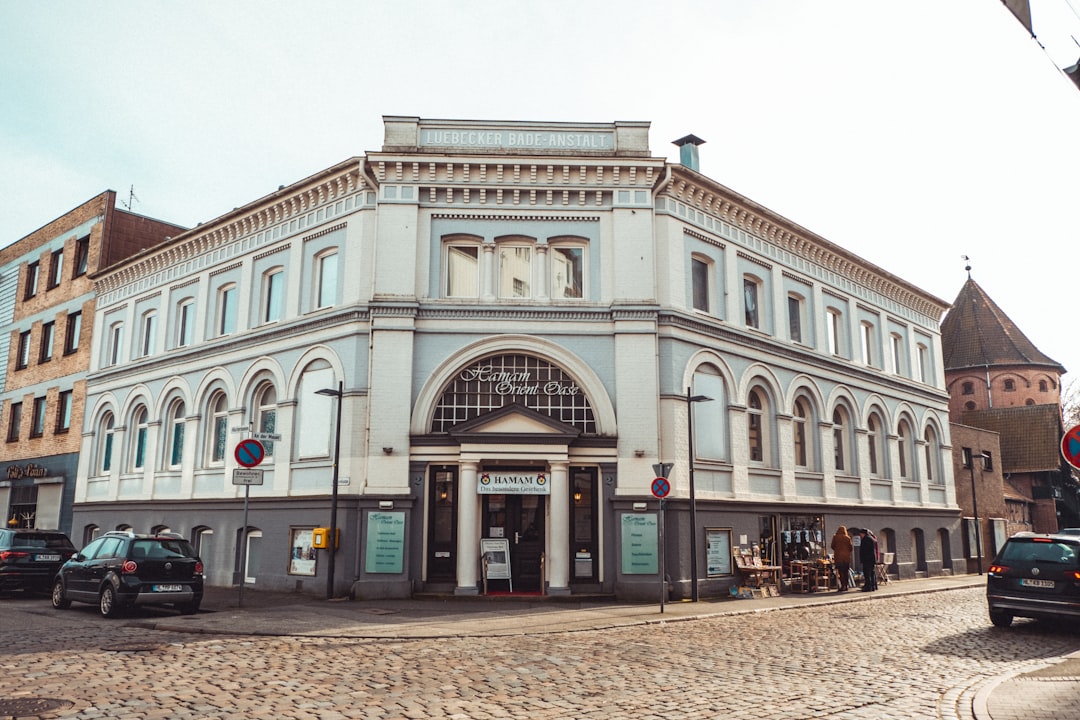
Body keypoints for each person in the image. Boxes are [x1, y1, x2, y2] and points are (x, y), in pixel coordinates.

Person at [830, 526, 853, 592]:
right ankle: (846, 585)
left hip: (838, 557)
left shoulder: (835, 537)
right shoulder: (848, 538)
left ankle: (842, 586)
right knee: (846, 572)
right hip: (846, 558)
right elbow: (851, 548)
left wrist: (837, 550)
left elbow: (832, 546)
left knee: (841, 572)